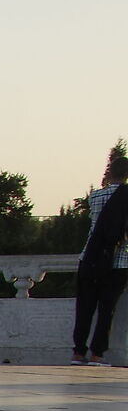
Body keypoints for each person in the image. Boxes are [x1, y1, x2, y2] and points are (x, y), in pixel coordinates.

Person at [71, 143, 128, 365]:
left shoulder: (94, 197)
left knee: (84, 308)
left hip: (90, 258)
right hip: (119, 260)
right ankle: (97, 353)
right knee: (107, 310)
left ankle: (78, 352)